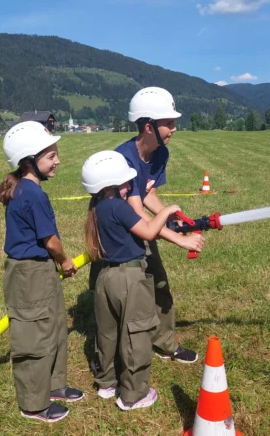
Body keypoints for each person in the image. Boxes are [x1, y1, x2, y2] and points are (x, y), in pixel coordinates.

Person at [89, 87, 205, 365]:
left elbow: (147, 192)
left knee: (158, 281)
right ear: (149, 126)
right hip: (115, 231)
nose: (174, 129)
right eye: (169, 123)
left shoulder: (160, 153)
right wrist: (179, 239)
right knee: (113, 292)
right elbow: (137, 214)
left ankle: (165, 344)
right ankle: (108, 355)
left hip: (138, 221)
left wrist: (171, 217)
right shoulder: (123, 159)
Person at [0, 121, 83, 423]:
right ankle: (33, 404)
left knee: (55, 325)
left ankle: (55, 386)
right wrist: (65, 261)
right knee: (34, 336)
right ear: (29, 161)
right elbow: (51, 241)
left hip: (40, 270)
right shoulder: (32, 194)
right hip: (29, 274)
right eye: (50, 156)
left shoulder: (28, 189)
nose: (57, 161)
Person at [82, 150, 182, 410]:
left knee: (107, 333)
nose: (129, 186)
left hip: (105, 277)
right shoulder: (119, 207)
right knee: (136, 333)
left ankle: (106, 383)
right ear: (110, 186)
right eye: (126, 182)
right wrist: (166, 211)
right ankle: (134, 395)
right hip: (130, 278)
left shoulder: (97, 208)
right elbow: (148, 231)